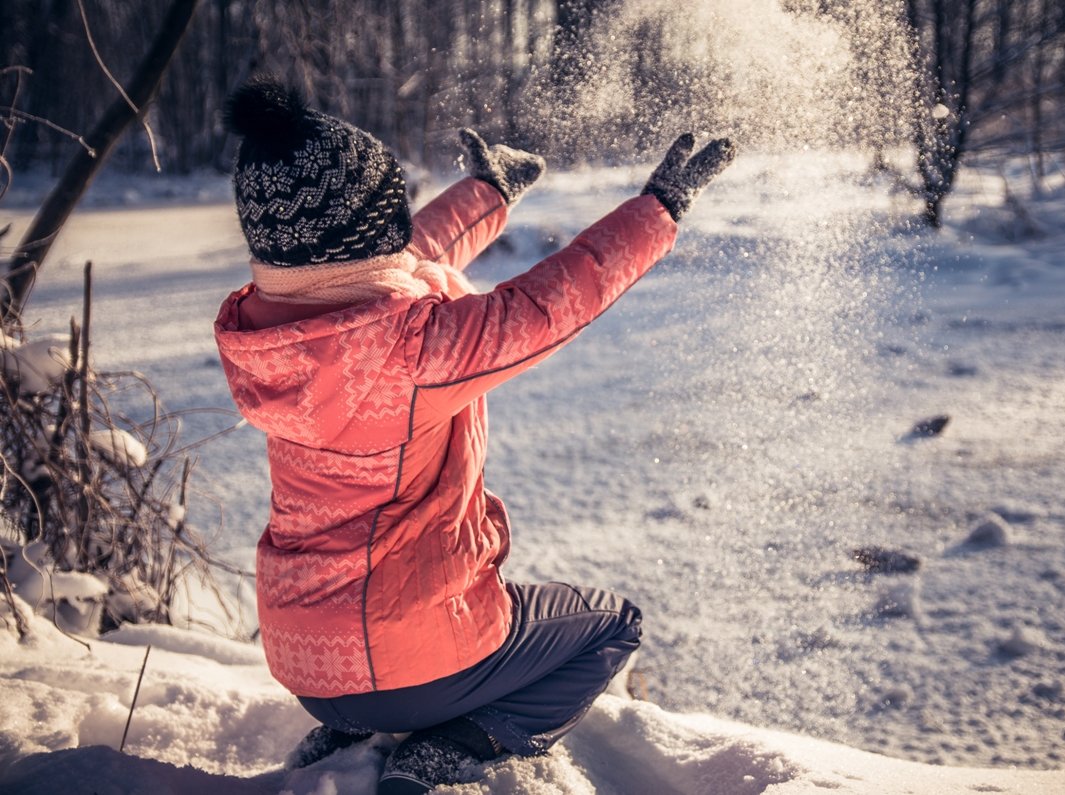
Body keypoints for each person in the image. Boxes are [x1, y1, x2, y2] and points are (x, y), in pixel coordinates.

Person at [214, 75, 735, 794]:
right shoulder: (415, 353)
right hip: (404, 660)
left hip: (305, 663)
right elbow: (551, 303)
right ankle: (454, 746)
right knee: (612, 625)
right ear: (371, 229)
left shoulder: (271, 335)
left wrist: (486, 193)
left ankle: (351, 729)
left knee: (403, 639)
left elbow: (403, 259)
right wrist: (657, 211)